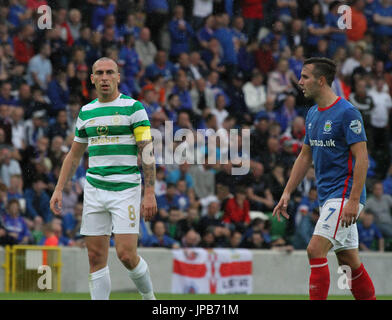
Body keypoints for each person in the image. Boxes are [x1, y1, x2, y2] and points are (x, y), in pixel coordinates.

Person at [49, 57, 157, 300]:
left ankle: (150, 298)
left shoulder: (134, 108)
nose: (105, 77)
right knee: (95, 257)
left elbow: (147, 153)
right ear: (92, 79)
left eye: (110, 72)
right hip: (95, 190)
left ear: (118, 77)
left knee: (126, 255)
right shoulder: (87, 112)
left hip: (125, 189)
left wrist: (149, 193)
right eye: (100, 73)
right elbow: (73, 155)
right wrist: (58, 189)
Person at [273, 57, 376, 300]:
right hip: (328, 197)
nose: (300, 82)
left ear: (321, 80)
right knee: (349, 262)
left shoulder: (348, 113)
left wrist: (352, 201)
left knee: (314, 249)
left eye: (305, 77)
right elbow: (304, 156)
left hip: (344, 196)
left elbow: (362, 158)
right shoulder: (312, 114)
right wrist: (287, 191)